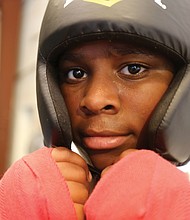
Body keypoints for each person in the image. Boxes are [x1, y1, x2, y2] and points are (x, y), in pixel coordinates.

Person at [1, 0, 190, 219]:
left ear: (180, 83)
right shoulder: (35, 190)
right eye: (76, 74)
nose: (95, 100)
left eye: (133, 69)